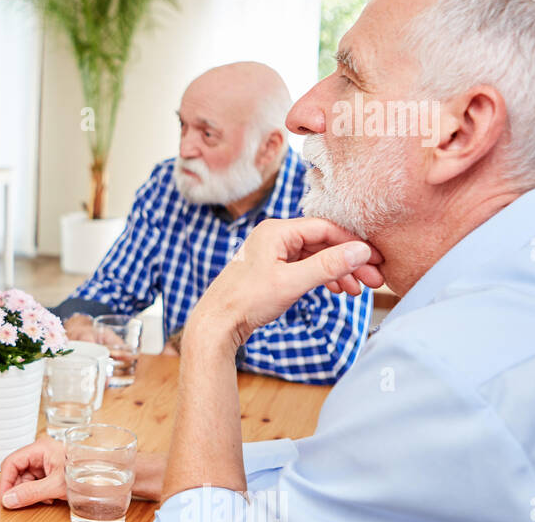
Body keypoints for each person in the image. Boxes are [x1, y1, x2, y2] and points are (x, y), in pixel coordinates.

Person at [0, 0, 535, 522]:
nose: (309, 111)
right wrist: (137, 469)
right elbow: (350, 482)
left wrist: (215, 330)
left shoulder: (452, 373)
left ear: (460, 131)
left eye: (351, 76)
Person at [54, 62, 370, 384]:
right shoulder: (167, 185)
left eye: (207, 134)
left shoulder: (324, 200)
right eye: (183, 126)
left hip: (286, 408)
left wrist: (204, 341)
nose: (184, 149)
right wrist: (81, 320)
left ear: (269, 147)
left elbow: (332, 350)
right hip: (182, 397)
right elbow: (117, 285)